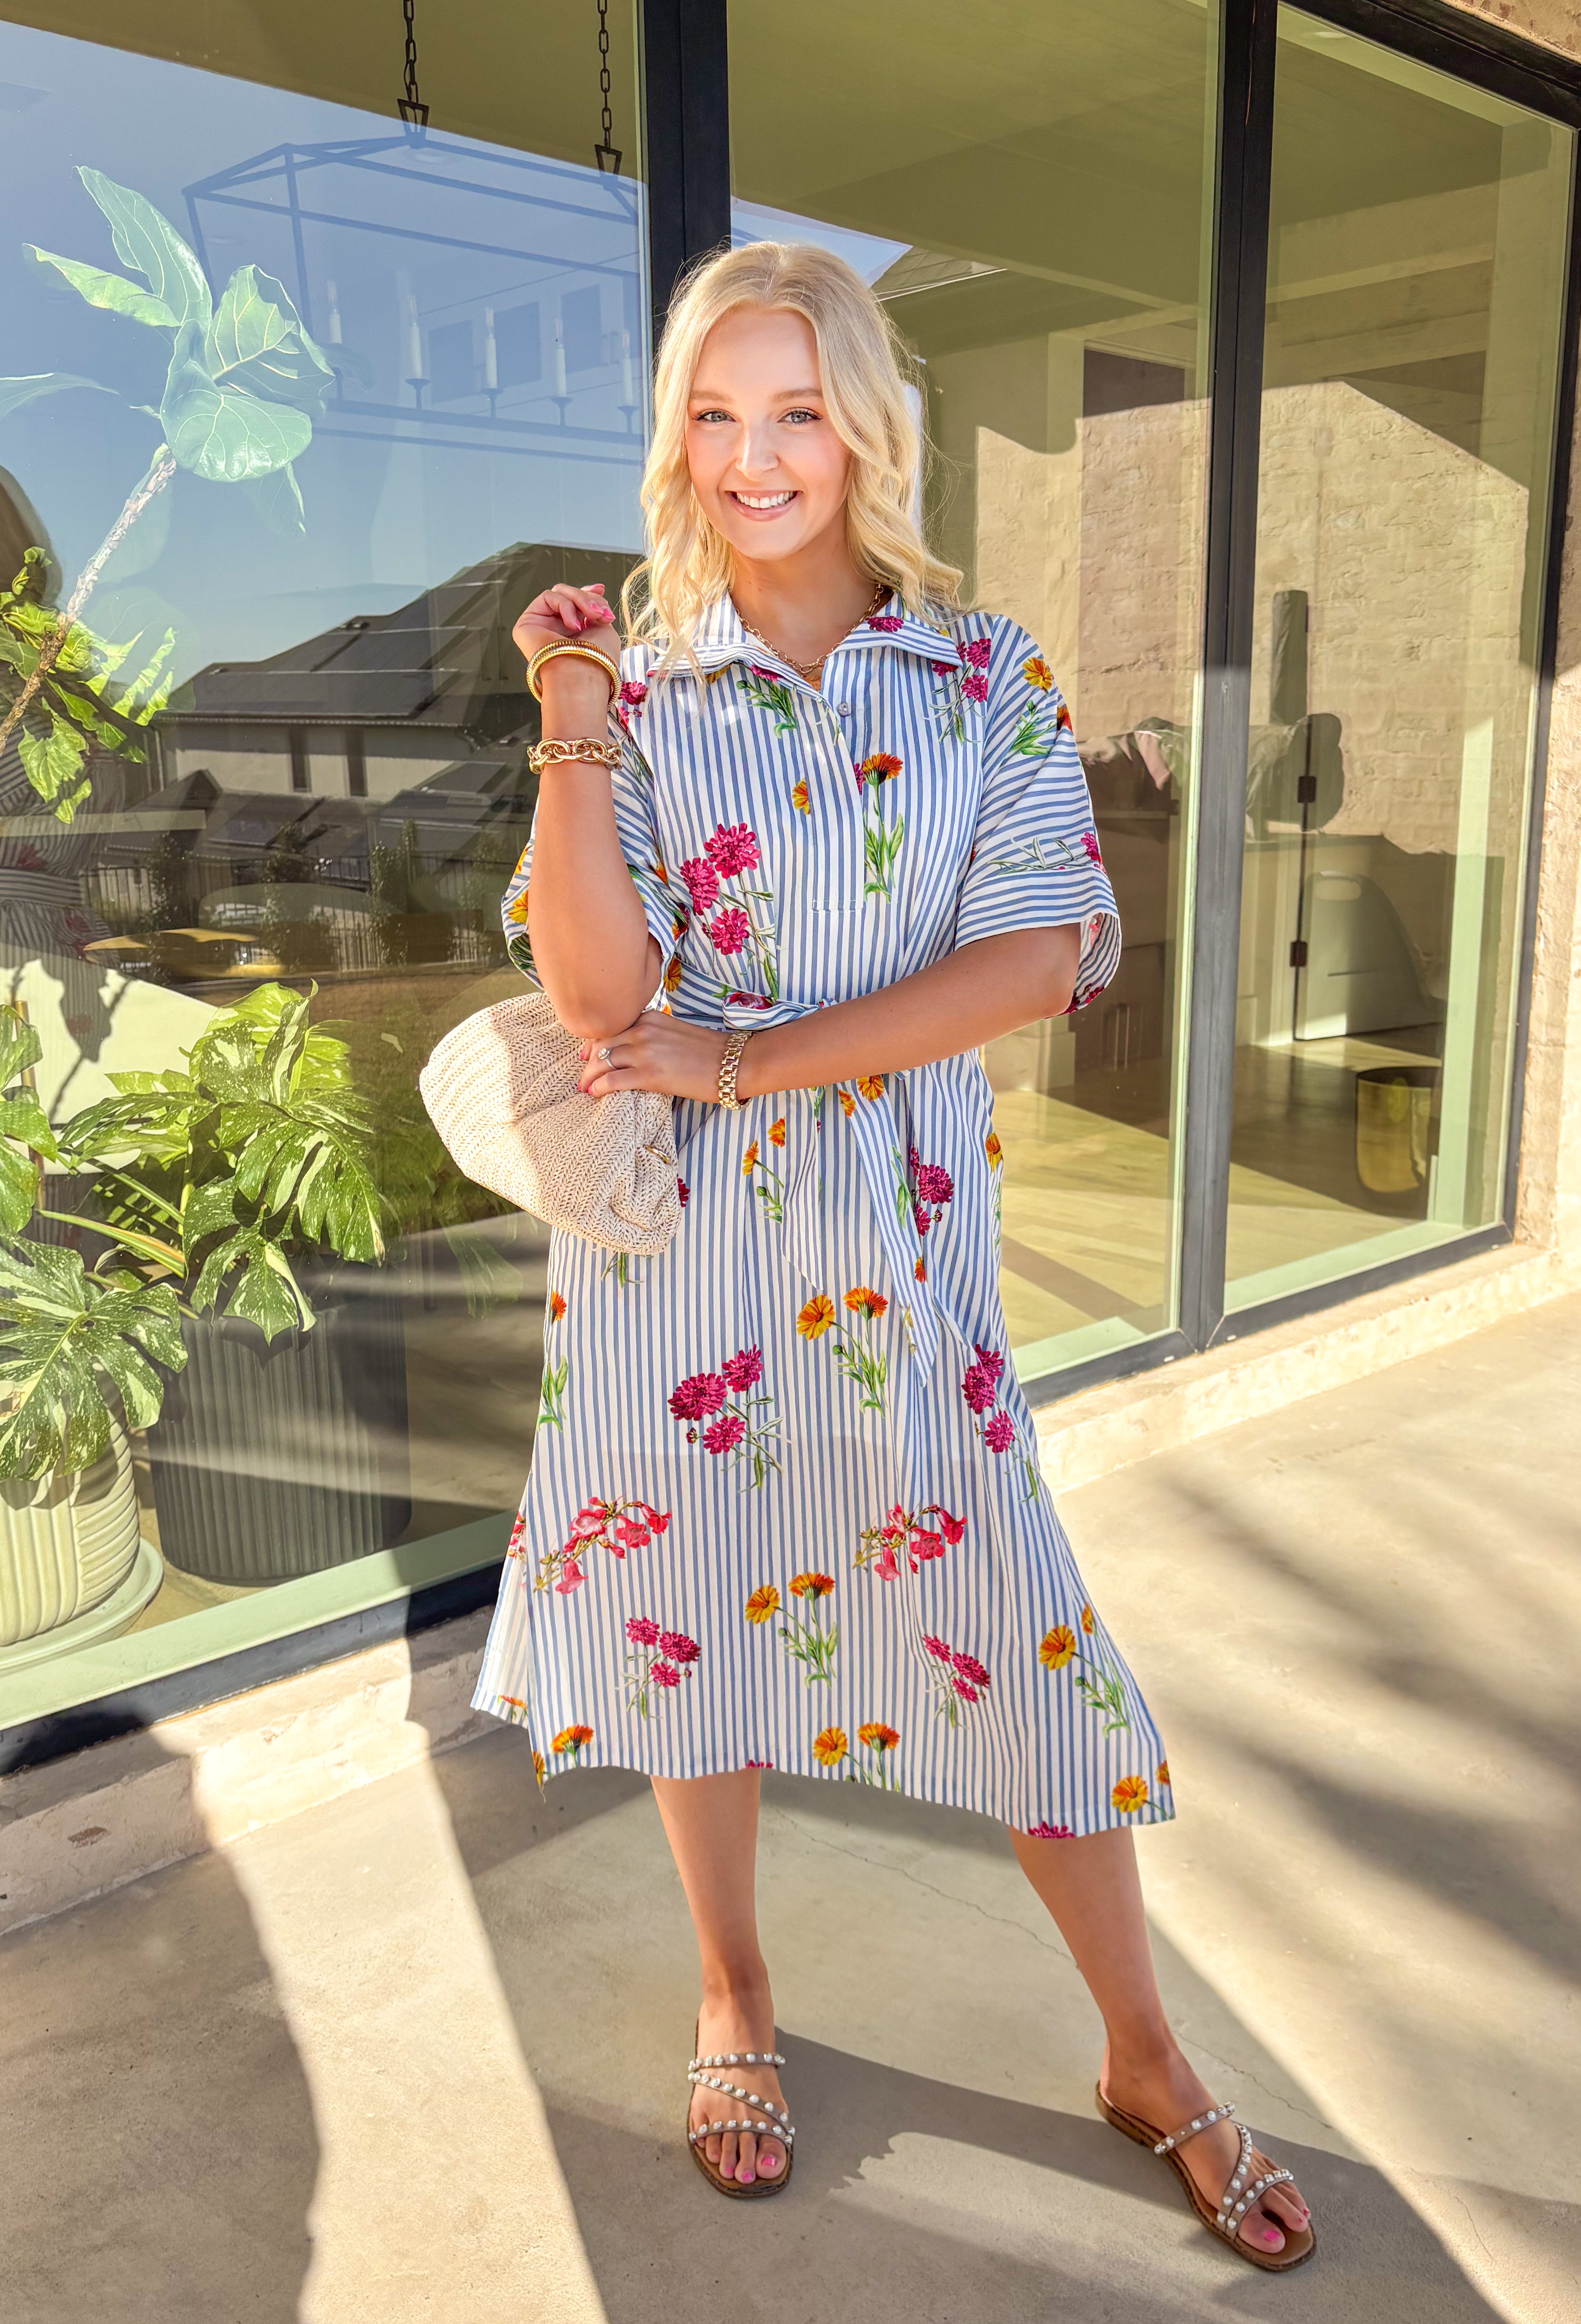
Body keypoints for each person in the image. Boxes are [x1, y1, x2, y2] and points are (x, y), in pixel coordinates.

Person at [471, 241, 1314, 2268]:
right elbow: (599, 990)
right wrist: (572, 713)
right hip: (673, 1279)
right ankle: (734, 1991)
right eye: (714, 412)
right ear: (676, 437)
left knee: (1023, 1656)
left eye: (796, 410)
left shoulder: (986, 675)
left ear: (863, 426)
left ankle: (1142, 2052)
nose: (757, 457)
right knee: (695, 1648)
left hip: (901, 1272)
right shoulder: (648, 695)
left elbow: (1035, 955)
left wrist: (753, 1052)